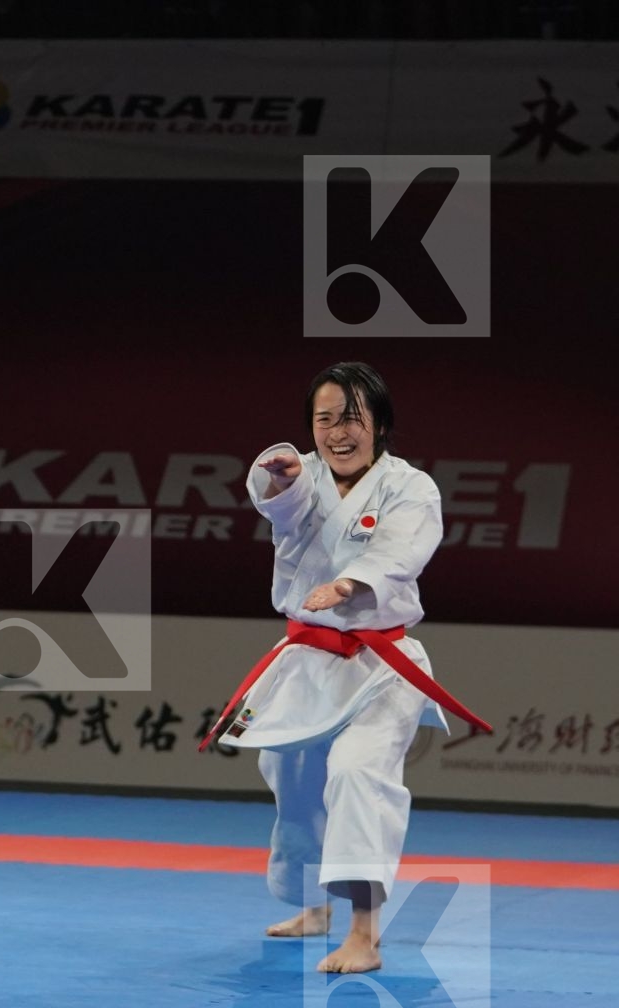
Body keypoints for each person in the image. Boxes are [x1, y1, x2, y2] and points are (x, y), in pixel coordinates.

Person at [201, 362, 488, 974]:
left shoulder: (411, 488)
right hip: (308, 658)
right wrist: (273, 476)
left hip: (381, 661)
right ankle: (313, 906)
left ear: (379, 425)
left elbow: (403, 551)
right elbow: (280, 505)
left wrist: (351, 584)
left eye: (352, 418)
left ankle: (365, 930)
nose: (338, 431)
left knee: (358, 774)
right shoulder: (301, 477)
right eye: (324, 418)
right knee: (290, 777)